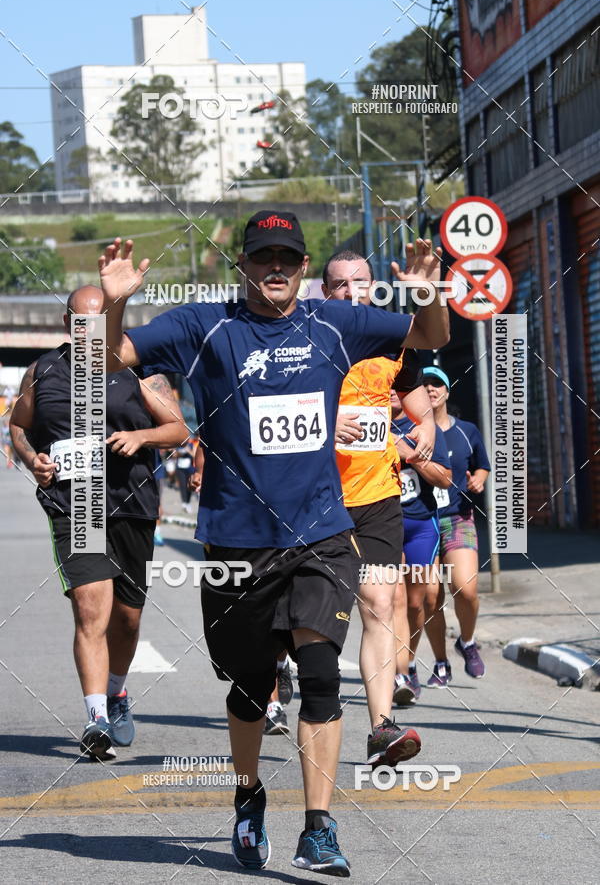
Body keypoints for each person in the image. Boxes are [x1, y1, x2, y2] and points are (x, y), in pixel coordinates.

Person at [97, 210, 448, 876]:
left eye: (288, 257)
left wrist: (429, 292)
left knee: (319, 676)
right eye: (263, 257)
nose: (276, 268)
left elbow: (427, 336)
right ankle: (249, 793)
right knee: (251, 685)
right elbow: (107, 357)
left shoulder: (335, 325)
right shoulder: (206, 326)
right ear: (245, 267)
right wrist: (114, 308)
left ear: (305, 269)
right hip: (235, 542)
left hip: (321, 533)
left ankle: (318, 827)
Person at [9, 285, 188, 758]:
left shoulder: (136, 369)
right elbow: (18, 426)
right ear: (68, 324)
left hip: (132, 504)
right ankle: (96, 721)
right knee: (92, 609)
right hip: (75, 505)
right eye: (82, 322)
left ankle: (117, 690)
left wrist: (140, 436)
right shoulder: (42, 371)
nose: (91, 332)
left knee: (126, 620)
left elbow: (178, 429)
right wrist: (33, 460)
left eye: (100, 323)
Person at [322, 249, 439, 767]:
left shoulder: (393, 345)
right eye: (340, 285)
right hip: (313, 499)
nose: (350, 292)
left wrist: (427, 425)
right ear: (325, 293)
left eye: (360, 282)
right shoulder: (305, 340)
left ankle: (381, 727)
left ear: (373, 288)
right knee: (308, 618)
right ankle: (281, 676)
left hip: (376, 496)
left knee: (380, 603)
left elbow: (417, 399)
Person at [420, 367, 491, 686]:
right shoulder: (408, 429)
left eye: (437, 384)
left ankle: (467, 641)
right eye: (424, 385)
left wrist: (479, 478)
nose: (431, 389)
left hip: (457, 517)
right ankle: (441, 662)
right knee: (430, 597)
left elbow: (483, 466)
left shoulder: (466, 430)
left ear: (447, 391)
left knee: (466, 588)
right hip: (421, 519)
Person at [389, 388, 451, 703]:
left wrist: (409, 454)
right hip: (382, 525)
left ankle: (409, 663)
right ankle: (398, 673)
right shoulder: (368, 426)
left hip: (420, 527)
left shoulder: (424, 429)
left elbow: (445, 479)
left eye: (397, 387)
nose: (390, 392)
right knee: (394, 601)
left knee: (416, 604)